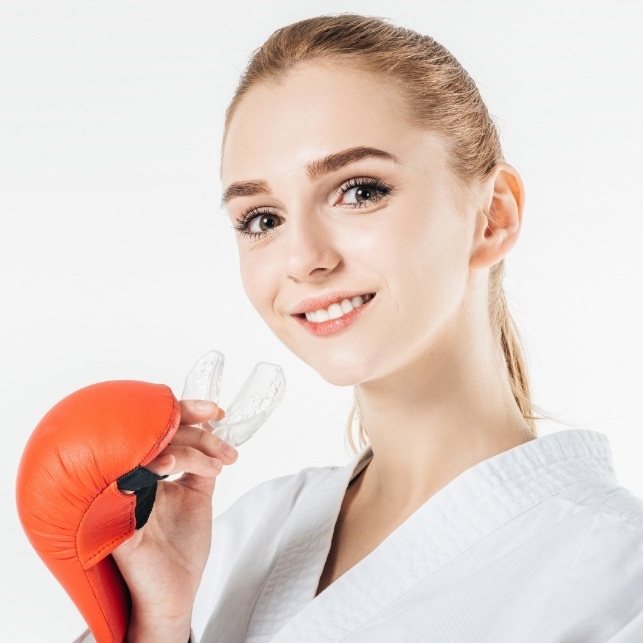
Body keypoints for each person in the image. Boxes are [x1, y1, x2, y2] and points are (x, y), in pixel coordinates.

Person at [77, 13, 643, 643]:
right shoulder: (241, 537)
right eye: (261, 219)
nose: (302, 259)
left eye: (359, 190)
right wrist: (156, 622)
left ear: (493, 217)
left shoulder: (617, 579)